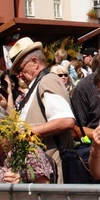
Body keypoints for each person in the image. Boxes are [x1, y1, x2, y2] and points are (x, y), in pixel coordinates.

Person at [9, 37, 75, 183]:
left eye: (20, 69)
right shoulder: (38, 84)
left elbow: (66, 121)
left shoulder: (47, 80)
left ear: (34, 62)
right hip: (43, 172)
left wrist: (28, 132)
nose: (18, 75)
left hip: (53, 171)